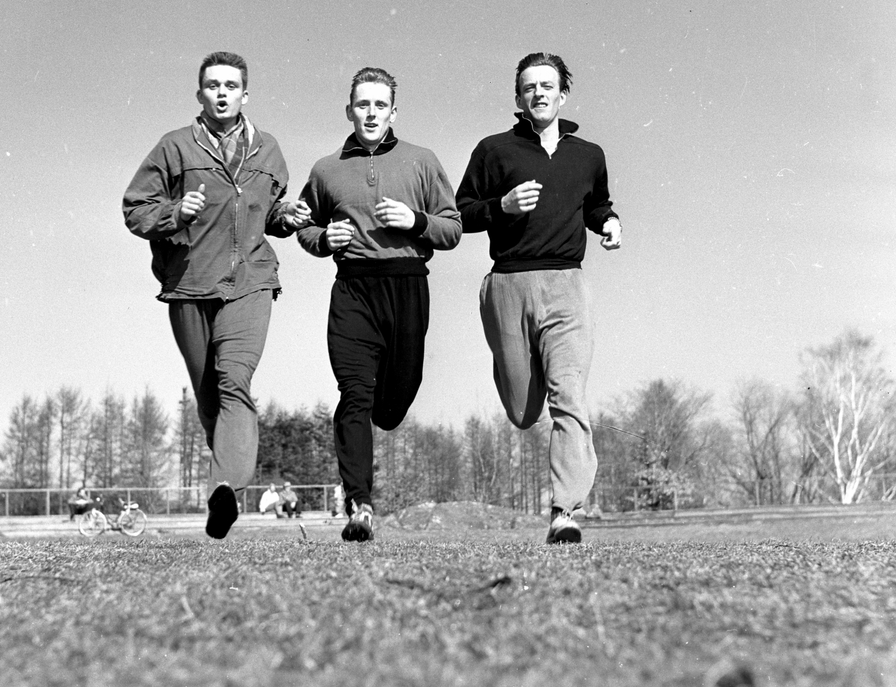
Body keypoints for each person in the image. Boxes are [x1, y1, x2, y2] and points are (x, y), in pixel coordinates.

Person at [123, 52, 312, 540]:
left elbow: (265, 215)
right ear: (200, 95)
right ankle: (223, 481)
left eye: (232, 85)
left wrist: (285, 218)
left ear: (245, 94)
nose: (222, 93)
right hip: (189, 283)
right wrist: (174, 212)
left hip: (250, 281)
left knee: (234, 380)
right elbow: (135, 210)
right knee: (209, 397)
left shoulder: (268, 149)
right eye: (213, 86)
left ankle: (224, 488)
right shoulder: (173, 147)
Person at [456, 53, 620, 544]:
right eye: (529, 87)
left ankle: (564, 511)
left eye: (547, 86)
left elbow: (597, 204)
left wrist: (609, 223)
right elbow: (460, 214)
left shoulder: (587, 154)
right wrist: (501, 207)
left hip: (567, 284)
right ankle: (510, 371)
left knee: (568, 394)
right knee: (524, 411)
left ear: (563, 93)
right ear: (518, 98)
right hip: (508, 283)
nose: (539, 94)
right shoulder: (494, 150)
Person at [298, 67, 462, 542]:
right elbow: (304, 227)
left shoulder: (422, 161)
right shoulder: (326, 170)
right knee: (354, 393)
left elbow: (451, 228)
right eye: (362, 105)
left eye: (379, 105)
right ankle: (359, 503)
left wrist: (415, 220)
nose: (370, 113)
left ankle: (380, 423)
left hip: (407, 285)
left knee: (390, 407)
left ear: (394, 111)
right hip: (352, 287)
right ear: (349, 110)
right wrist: (323, 238)